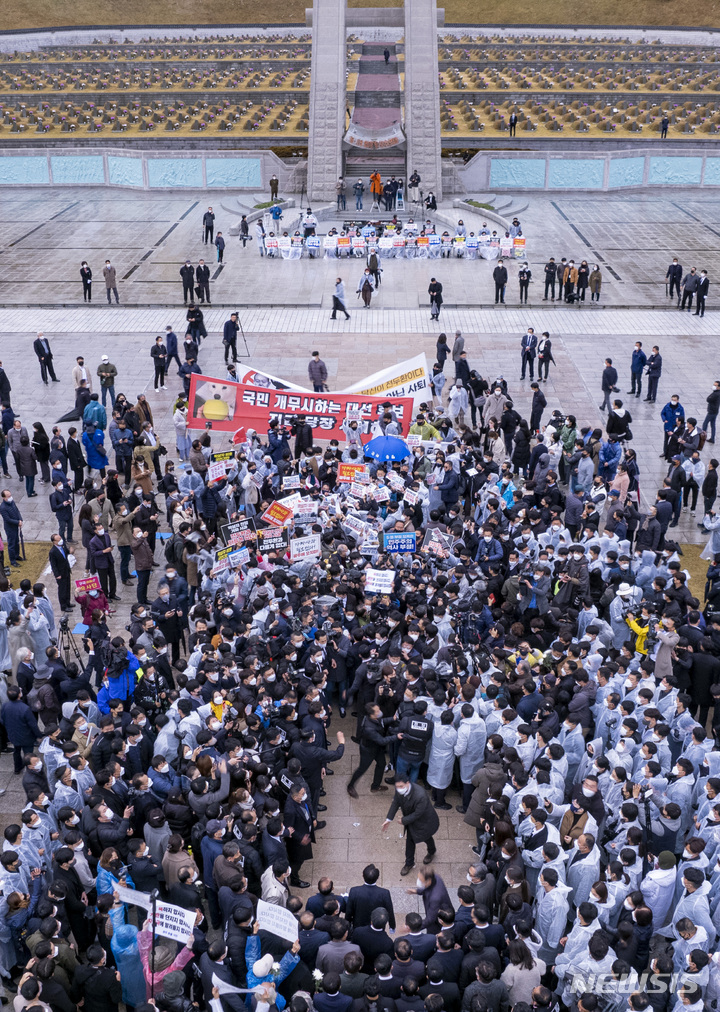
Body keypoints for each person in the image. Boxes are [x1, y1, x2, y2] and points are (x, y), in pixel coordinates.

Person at [382, 776, 439, 876]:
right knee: (410, 841)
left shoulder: (420, 795)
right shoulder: (400, 790)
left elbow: (418, 813)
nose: (399, 789)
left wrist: (403, 820)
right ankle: (409, 863)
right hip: (412, 821)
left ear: (408, 783)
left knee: (426, 837)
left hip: (424, 822)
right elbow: (396, 802)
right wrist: (389, 819)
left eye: (401, 786)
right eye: (397, 786)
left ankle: (431, 851)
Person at [49, 532, 73, 612]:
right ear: (54, 542)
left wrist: (70, 551)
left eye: (60, 538)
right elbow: (53, 565)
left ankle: (68, 602)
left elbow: (66, 553)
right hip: (60, 573)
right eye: (58, 539)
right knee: (62, 590)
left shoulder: (63, 546)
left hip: (66, 570)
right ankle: (63, 606)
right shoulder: (52, 552)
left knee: (67, 587)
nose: (60, 540)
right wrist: (57, 574)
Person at [0, 488, 22, 566]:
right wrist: (17, 522)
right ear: (4, 498)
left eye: (10, 495)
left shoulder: (11, 502)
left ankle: (16, 555)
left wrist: (20, 519)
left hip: (15, 525)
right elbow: (7, 519)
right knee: (12, 544)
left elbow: (17, 510)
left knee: (16, 541)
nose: (10, 497)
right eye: (8, 496)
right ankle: (12, 561)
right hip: (10, 528)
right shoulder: (2, 508)